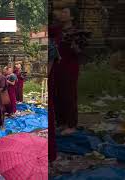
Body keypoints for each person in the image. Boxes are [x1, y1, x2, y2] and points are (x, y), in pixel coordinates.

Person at [52, 7, 82, 135]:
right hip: (57, 66)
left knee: (69, 94)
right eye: (62, 11)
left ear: (72, 17)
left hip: (70, 66)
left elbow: (80, 51)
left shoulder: (77, 32)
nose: (62, 14)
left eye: (65, 12)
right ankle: (61, 122)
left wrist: (75, 46)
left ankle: (71, 124)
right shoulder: (57, 30)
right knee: (58, 95)